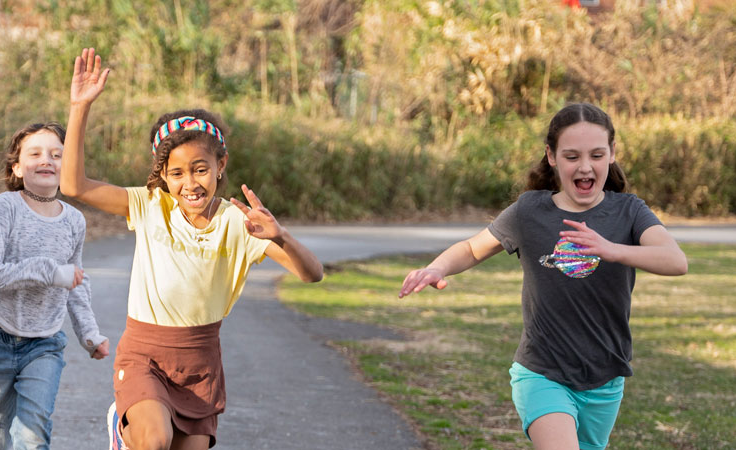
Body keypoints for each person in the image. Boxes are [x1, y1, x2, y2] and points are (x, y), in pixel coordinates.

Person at [58, 48, 326, 450]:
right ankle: (124, 427)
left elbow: (312, 273)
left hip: (200, 362)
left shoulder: (241, 223)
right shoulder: (150, 205)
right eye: (177, 173)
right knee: (155, 439)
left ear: (221, 165)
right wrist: (79, 108)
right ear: (162, 176)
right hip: (144, 353)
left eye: (201, 169)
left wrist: (279, 236)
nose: (190, 183)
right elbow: (74, 186)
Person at [397, 103, 688, 450]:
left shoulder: (629, 211)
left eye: (597, 155)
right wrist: (437, 267)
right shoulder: (530, 211)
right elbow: (473, 248)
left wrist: (611, 249)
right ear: (551, 156)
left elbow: (675, 260)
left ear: (611, 154)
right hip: (542, 371)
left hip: (604, 376)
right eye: (571, 156)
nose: (585, 166)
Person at [0, 121, 110, 449]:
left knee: (32, 433)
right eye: (35, 153)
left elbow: (75, 282)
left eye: (57, 154)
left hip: (44, 342)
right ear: (17, 168)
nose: (47, 160)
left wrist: (89, 333)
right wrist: (48, 271)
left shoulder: (74, 220)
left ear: (67, 165)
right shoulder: (3, 208)